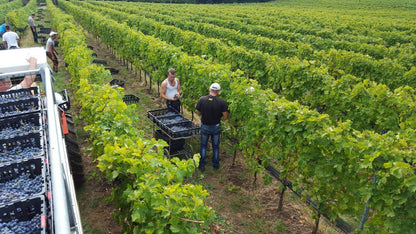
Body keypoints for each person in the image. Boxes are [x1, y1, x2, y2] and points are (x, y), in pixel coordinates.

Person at [195, 83, 229, 172]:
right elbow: (225, 117)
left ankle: (202, 164)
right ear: (218, 91)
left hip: (205, 126)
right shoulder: (222, 102)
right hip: (216, 126)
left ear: (210, 89)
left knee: (203, 145)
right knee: (215, 146)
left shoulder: (202, 99)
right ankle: (216, 165)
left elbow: (198, 113)